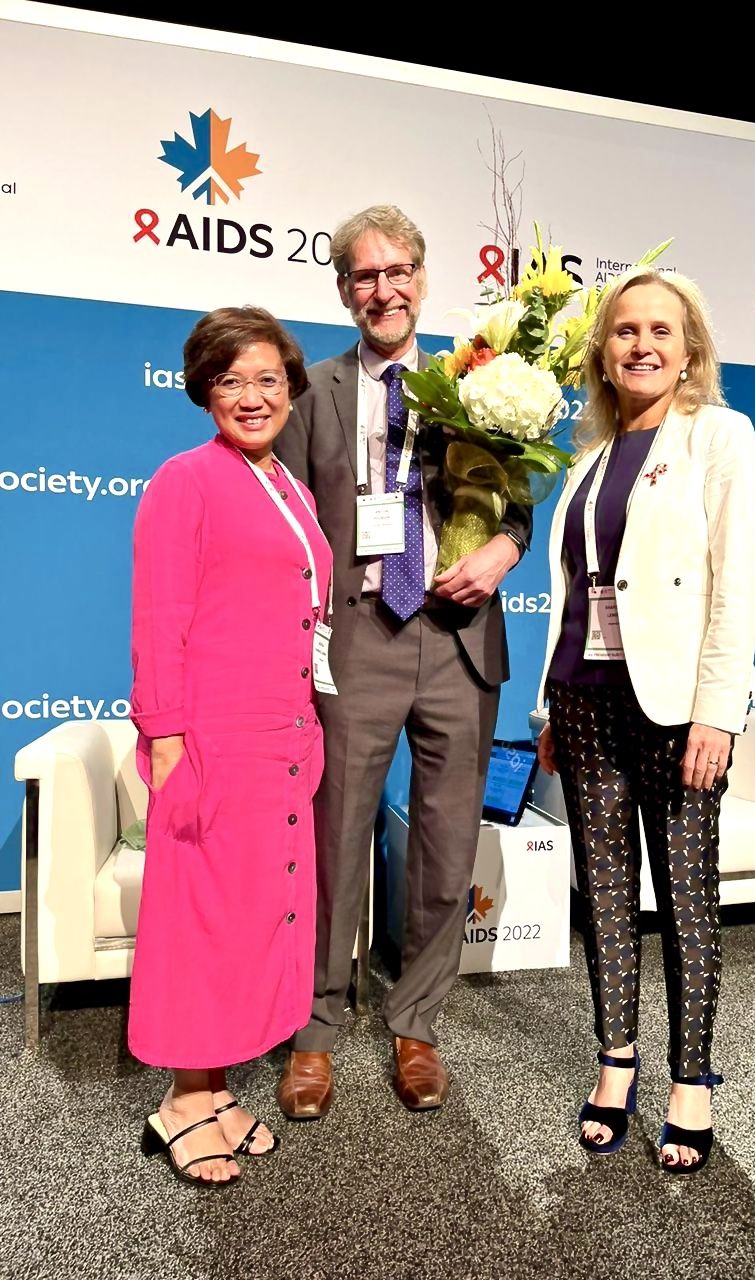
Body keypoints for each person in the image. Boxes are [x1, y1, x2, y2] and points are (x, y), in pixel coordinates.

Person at [274, 204, 531, 1115]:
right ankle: (314, 1025)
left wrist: (505, 548)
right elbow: (291, 526)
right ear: (344, 291)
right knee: (333, 836)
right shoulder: (313, 391)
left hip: (460, 644)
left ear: (423, 279)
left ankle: (416, 1022)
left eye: (396, 273)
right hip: (357, 640)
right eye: (362, 277)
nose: (381, 290)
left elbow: (518, 507)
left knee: (444, 844)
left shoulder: (484, 386)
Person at [536, 266, 755, 1171]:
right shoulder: (586, 459)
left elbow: (735, 586)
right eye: (625, 330)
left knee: (687, 894)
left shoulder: (720, 437)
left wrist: (720, 711)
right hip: (585, 699)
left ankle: (694, 1080)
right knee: (604, 892)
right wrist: (545, 706)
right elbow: (568, 596)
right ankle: (617, 1061)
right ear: (604, 350)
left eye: (660, 331)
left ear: (689, 349)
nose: (641, 345)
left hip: (677, 710)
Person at [131, 306, 331, 1186]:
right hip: (211, 736)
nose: (251, 397)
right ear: (203, 390)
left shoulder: (288, 486)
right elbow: (160, 618)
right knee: (202, 920)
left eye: (267, 380)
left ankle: (213, 1091)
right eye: (230, 380)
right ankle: (179, 1101)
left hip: (282, 735)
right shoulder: (187, 479)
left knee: (255, 917)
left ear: (289, 389)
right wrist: (165, 739)